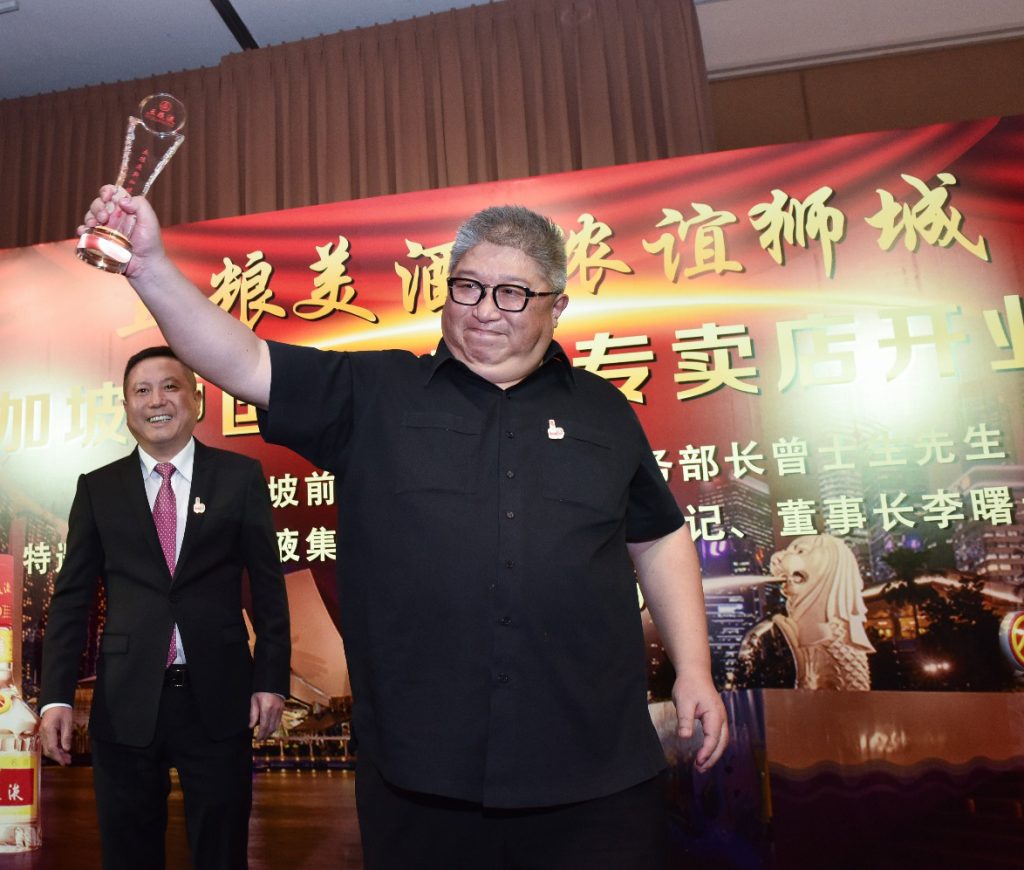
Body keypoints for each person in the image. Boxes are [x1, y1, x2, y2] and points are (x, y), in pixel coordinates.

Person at [77, 188, 729, 869]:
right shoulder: (376, 393)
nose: (484, 309)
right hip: (421, 778)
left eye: (511, 294)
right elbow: (242, 360)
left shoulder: (604, 410)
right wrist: (148, 266)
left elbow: (657, 536)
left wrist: (694, 669)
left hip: (595, 772)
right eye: (468, 287)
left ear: (556, 306)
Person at [39, 345, 291, 870]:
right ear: (127, 408)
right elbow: (72, 600)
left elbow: (269, 589)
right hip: (125, 699)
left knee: (222, 853)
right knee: (128, 853)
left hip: (219, 697)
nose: (157, 400)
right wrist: (55, 697)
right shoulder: (98, 488)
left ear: (196, 400)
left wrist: (271, 680)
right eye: (142, 390)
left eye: (170, 387)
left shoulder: (239, 477)